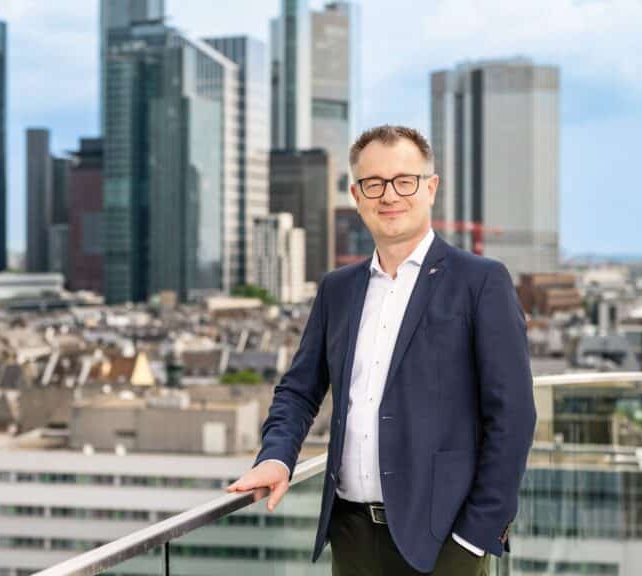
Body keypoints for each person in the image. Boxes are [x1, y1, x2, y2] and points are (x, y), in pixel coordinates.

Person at [226, 125, 536, 575]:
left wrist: (477, 532)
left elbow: (513, 415)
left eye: (404, 180)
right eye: (374, 183)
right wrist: (277, 457)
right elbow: (298, 390)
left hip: (445, 539)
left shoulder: (480, 281)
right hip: (350, 534)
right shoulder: (338, 288)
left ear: (431, 187)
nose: (389, 195)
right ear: (356, 195)